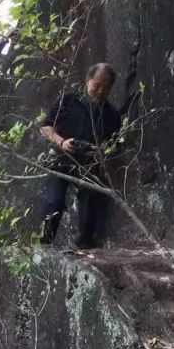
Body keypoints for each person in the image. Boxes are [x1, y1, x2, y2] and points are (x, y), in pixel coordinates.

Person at [38, 63, 121, 249]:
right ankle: (44, 246)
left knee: (90, 206)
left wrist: (102, 151)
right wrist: (62, 142)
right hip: (60, 160)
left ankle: (85, 247)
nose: (100, 91)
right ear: (87, 81)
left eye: (106, 88)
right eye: (97, 85)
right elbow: (45, 127)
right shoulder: (68, 100)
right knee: (54, 203)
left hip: (88, 165)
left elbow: (113, 145)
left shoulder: (112, 115)